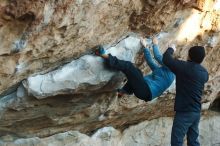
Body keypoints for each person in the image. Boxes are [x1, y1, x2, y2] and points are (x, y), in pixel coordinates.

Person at [95, 37, 175, 102]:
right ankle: (123, 91)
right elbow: (150, 61)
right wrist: (145, 47)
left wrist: (155, 44)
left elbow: (158, 56)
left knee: (129, 66)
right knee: (137, 73)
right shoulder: (163, 71)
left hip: (146, 90)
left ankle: (104, 55)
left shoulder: (171, 69)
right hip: (145, 94)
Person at [163, 45, 209, 146]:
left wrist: (171, 48)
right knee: (193, 142)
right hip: (196, 112)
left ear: (189, 56)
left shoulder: (184, 67)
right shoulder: (204, 73)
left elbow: (166, 59)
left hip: (184, 112)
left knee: (177, 142)